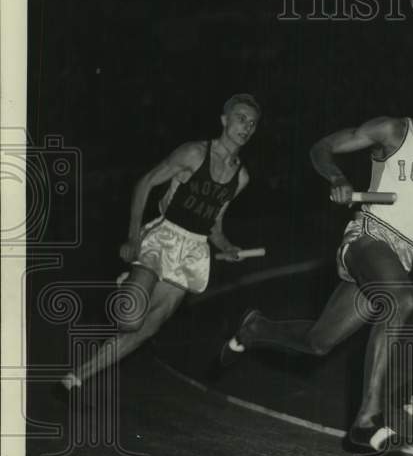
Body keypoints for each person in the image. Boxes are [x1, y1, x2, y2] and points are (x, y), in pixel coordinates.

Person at [218, 67, 413, 453]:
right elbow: (321, 148)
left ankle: (256, 329)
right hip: (368, 238)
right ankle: (366, 421)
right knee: (402, 300)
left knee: (319, 342)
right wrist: (336, 178)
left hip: (398, 257)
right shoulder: (391, 131)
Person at [54, 94, 260, 396]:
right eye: (241, 118)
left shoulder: (241, 177)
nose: (247, 126)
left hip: (192, 251)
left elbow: (214, 223)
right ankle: (125, 288)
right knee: (130, 316)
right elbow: (146, 183)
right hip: (163, 237)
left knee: (149, 326)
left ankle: (76, 378)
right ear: (225, 120)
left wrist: (226, 246)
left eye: (253, 123)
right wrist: (133, 236)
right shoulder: (193, 153)